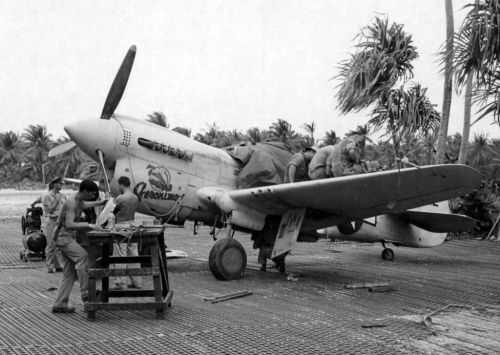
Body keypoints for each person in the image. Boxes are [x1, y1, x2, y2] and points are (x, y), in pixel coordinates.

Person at [51, 180, 107, 313]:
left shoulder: (79, 199)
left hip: (67, 236)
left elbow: (84, 204)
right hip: (62, 236)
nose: (92, 197)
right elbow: (70, 224)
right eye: (92, 194)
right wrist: (90, 225)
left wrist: (100, 203)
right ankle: (86, 294)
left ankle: (60, 303)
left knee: (69, 272)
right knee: (83, 257)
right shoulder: (71, 202)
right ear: (85, 191)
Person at [111, 176, 142, 290]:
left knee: (120, 256)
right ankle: (137, 282)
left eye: (118, 185)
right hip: (132, 226)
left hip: (121, 228)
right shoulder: (135, 198)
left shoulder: (120, 198)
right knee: (133, 255)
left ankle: (121, 283)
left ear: (121, 184)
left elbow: (113, 213)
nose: (118, 188)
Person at [42, 177, 66, 273]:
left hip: (61, 221)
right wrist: (56, 200)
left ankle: (59, 265)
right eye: (60, 183)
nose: (62, 185)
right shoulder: (47, 196)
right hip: (52, 220)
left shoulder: (63, 195)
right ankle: (50, 266)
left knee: (60, 245)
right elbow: (49, 210)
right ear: (55, 184)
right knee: (51, 244)